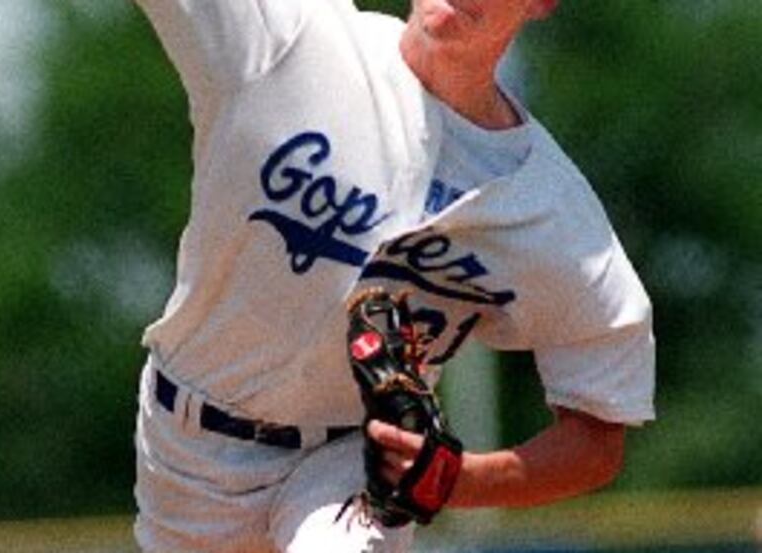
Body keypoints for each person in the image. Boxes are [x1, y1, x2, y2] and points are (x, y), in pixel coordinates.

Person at [131, 0, 656, 552]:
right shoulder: (288, 41)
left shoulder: (551, 213)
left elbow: (597, 435)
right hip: (190, 451)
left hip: (354, 460)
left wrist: (457, 478)